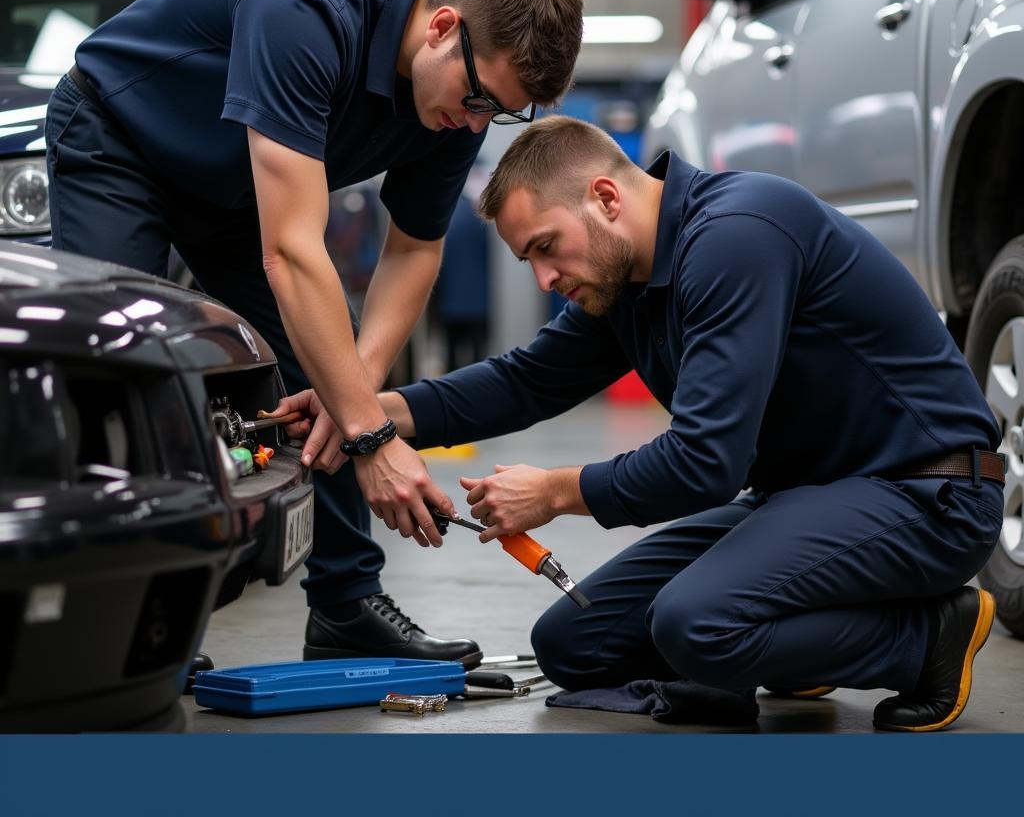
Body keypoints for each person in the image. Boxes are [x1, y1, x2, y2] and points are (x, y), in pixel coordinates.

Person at [277, 114, 1004, 730]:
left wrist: (558, 491)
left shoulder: (737, 236)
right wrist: (364, 413)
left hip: (924, 496)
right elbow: (524, 380)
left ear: (604, 198)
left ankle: (924, 639)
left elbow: (705, 463)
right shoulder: (625, 284)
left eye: (544, 248)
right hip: (810, 501)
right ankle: (798, 644)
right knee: (574, 643)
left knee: (695, 625)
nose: (545, 280)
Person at [44, 0, 583, 667]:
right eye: (480, 99)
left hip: (234, 188)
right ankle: (104, 615)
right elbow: (292, 251)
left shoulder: (459, 97)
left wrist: (348, 395)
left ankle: (344, 604)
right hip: (121, 138)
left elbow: (415, 248)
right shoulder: (308, 2)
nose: (477, 123)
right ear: (443, 27)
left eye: (502, 113)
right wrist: (369, 435)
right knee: (119, 360)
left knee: (324, 365)